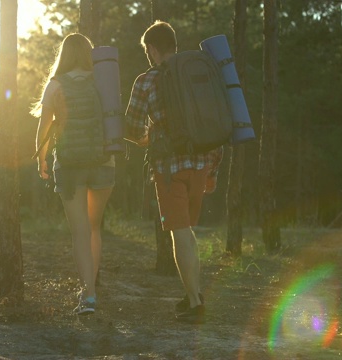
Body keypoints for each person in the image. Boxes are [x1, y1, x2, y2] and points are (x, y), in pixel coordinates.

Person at [123, 21, 223, 324]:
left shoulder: (147, 80)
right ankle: (193, 293)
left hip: (170, 170)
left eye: (148, 51)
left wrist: (149, 137)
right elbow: (215, 119)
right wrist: (213, 170)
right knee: (188, 232)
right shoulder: (198, 72)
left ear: (152, 49)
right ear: (174, 45)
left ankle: (195, 303)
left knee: (180, 235)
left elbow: (131, 128)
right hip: (202, 163)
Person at [31, 33, 115, 316]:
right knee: (94, 229)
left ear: (64, 55)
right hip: (103, 162)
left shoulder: (56, 84)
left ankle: (89, 296)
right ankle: (90, 289)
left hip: (69, 166)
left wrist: (41, 159)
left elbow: (44, 126)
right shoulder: (101, 80)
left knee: (80, 232)